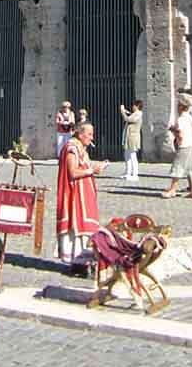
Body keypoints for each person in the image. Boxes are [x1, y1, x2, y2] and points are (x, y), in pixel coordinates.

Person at [56, 122, 107, 267]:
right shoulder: (72, 148)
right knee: (78, 225)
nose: (92, 138)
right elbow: (73, 172)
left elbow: (84, 165)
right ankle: (78, 261)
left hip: (84, 193)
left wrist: (97, 166)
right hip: (76, 196)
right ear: (80, 134)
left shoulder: (80, 148)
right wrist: (92, 171)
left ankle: (84, 261)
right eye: (89, 134)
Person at [162, 94, 192, 199]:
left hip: (185, 146)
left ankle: (172, 190)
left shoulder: (181, 119)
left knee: (177, 168)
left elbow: (180, 134)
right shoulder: (190, 117)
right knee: (191, 169)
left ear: (180, 107)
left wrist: (173, 130)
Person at [119, 100, 143, 181]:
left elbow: (128, 119)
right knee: (127, 155)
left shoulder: (139, 114)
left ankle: (135, 174)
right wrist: (126, 111)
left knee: (133, 155)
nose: (132, 107)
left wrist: (122, 111)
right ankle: (128, 172)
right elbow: (130, 115)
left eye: (133, 105)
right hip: (128, 137)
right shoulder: (135, 114)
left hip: (133, 137)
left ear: (137, 106)